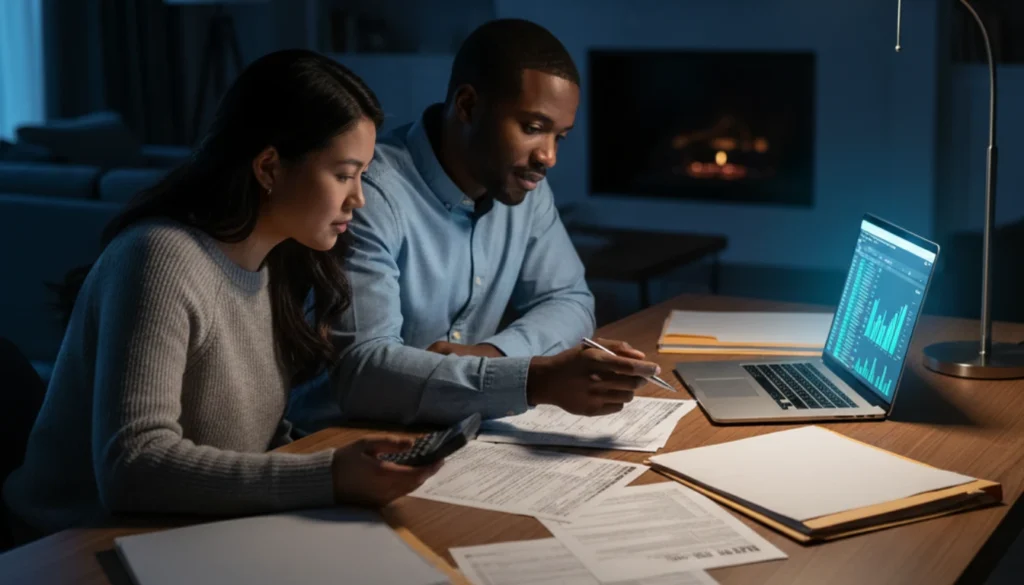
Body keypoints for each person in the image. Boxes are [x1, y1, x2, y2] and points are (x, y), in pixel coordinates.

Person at [2, 50, 440, 541]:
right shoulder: (160, 258)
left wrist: (342, 470)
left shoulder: (275, 261)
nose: (358, 198)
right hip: (71, 545)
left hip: (183, 532)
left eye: (361, 175)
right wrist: (330, 476)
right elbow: (133, 467)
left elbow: (248, 440)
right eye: (343, 174)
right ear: (269, 168)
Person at [288, 19, 662, 430]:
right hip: (343, 441)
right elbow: (363, 371)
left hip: (457, 432)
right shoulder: (369, 194)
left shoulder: (526, 188)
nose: (548, 157)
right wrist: (532, 379)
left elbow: (570, 300)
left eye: (561, 137)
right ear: (467, 106)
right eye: (533, 129)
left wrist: (493, 355)